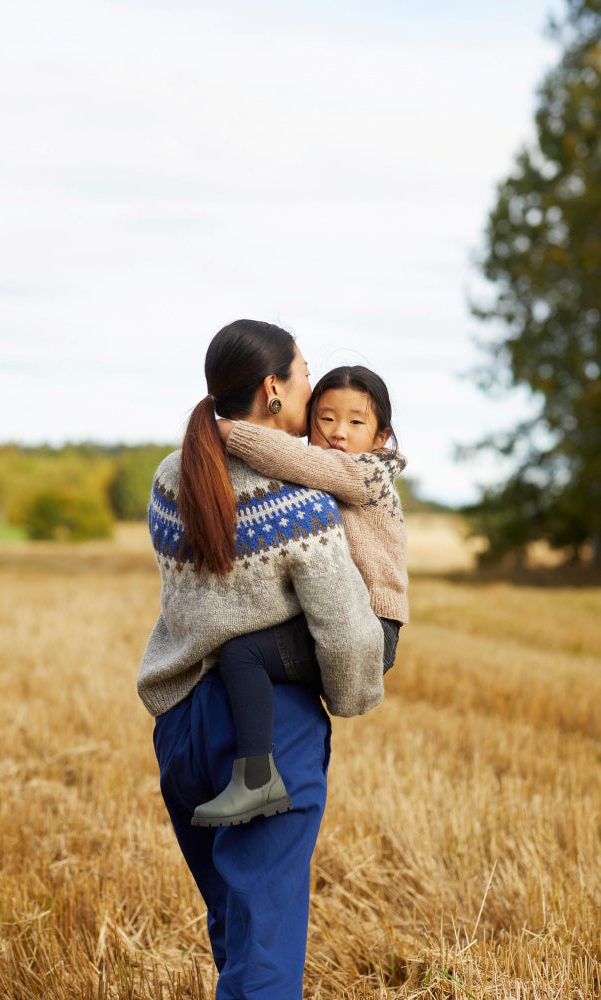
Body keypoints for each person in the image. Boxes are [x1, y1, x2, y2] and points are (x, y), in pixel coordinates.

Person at [137, 319, 385, 1000]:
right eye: (305, 374)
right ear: (274, 390)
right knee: (267, 948)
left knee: (236, 936)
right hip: (267, 733)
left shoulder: (170, 476)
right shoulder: (300, 503)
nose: (312, 386)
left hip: (181, 725)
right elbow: (347, 635)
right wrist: (356, 693)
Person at [192, 365, 409, 828]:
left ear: (381, 437)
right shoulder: (324, 477)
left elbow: (302, 462)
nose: (337, 433)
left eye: (356, 422)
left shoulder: (369, 475)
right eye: (325, 419)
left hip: (369, 625)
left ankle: (257, 780)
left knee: (243, 651)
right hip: (334, 616)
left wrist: (227, 430)